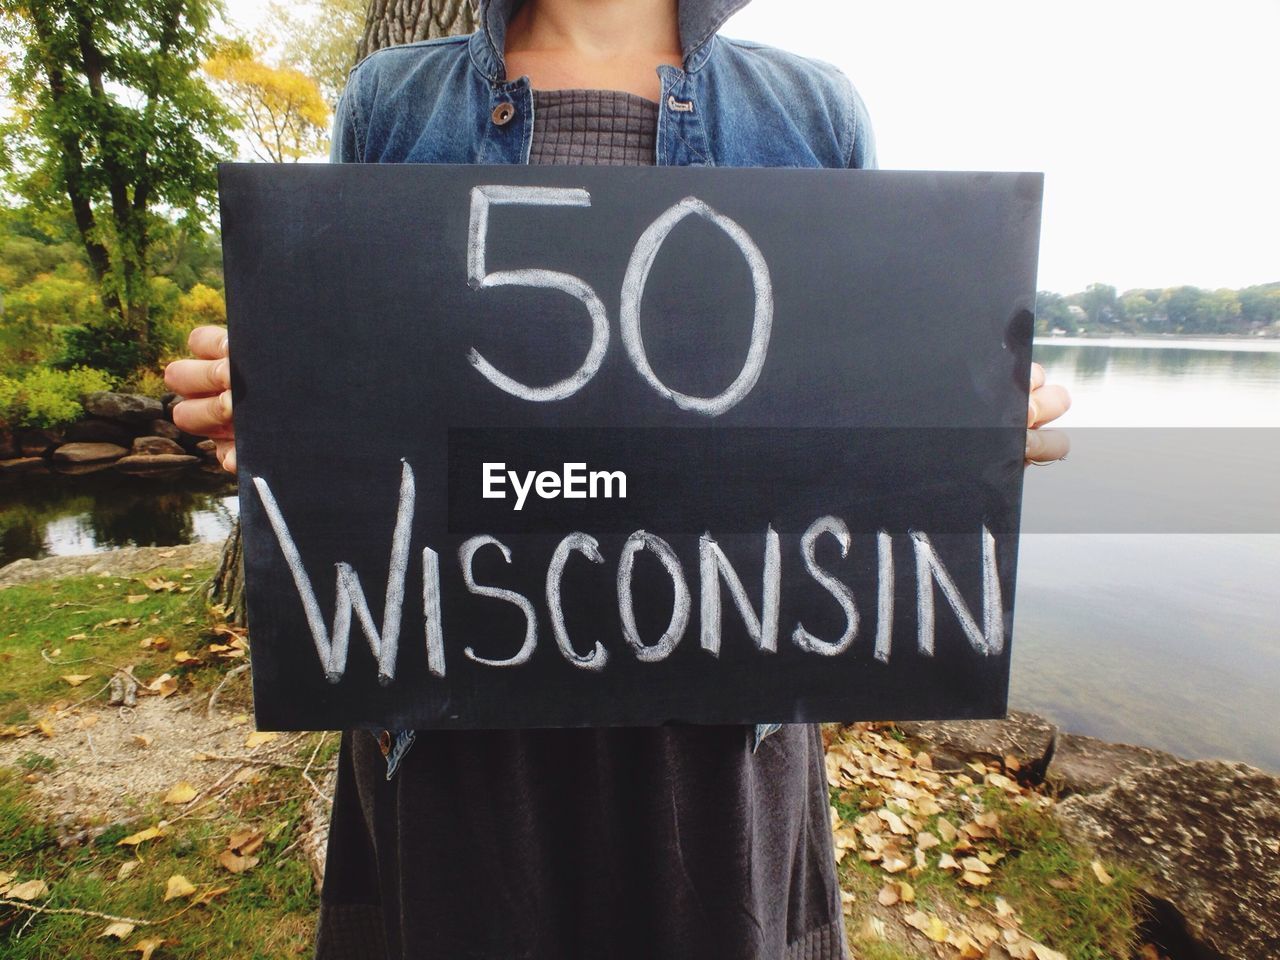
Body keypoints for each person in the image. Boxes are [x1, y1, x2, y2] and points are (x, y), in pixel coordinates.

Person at [166, 1, 1071, 957]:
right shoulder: (394, 104)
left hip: (719, 715)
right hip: (455, 700)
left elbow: (845, 420)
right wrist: (274, 425)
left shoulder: (811, 111)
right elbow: (368, 391)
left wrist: (966, 441)